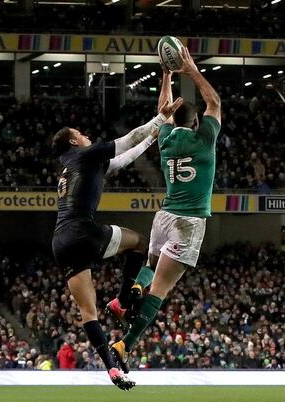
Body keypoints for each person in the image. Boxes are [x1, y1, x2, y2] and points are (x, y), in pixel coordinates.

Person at [51, 95, 180, 390]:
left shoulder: (70, 166)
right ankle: (122, 301)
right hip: (84, 231)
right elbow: (127, 140)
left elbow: (122, 159)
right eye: (81, 134)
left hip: (60, 242)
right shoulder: (85, 155)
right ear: (73, 142)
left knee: (88, 313)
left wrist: (151, 139)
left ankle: (111, 369)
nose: (86, 136)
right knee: (141, 243)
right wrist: (160, 119)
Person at [110, 46, 221, 371]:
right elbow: (214, 101)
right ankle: (125, 344)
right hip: (189, 219)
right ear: (198, 121)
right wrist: (191, 70)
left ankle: (128, 293)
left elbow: (163, 110)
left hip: (164, 215)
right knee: (162, 287)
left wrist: (166, 73)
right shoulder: (205, 139)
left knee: (152, 264)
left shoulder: (167, 139)